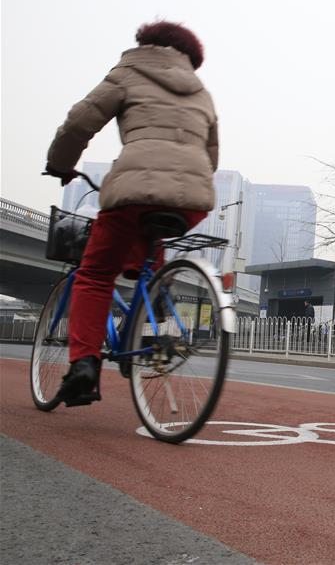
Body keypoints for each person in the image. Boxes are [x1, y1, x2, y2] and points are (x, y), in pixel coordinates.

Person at [43, 21, 218, 407]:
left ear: (147, 43)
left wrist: (60, 164)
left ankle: (84, 366)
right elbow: (212, 156)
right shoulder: (201, 92)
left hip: (134, 191)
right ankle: (152, 292)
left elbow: (79, 122)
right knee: (149, 235)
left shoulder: (127, 73)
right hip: (194, 199)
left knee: (94, 274)